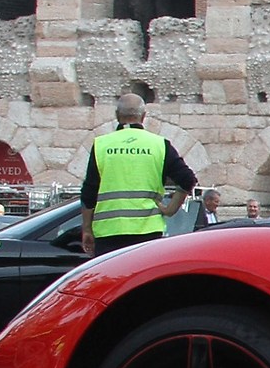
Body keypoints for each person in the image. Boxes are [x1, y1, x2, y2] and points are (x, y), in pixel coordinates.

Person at [80, 92, 195, 255]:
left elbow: (89, 192)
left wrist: (86, 228)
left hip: (109, 232)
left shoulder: (101, 145)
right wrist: (170, 209)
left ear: (117, 115)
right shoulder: (160, 145)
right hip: (148, 232)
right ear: (143, 116)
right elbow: (187, 179)